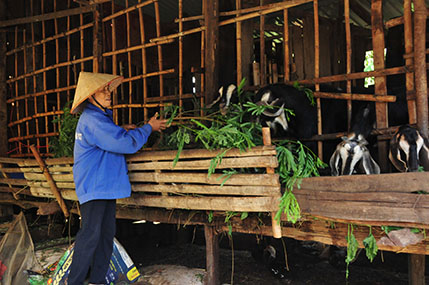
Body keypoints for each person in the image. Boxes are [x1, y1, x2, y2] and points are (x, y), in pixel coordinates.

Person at [67, 72, 168, 285]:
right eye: (102, 90)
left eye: (108, 89)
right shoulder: (93, 120)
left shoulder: (100, 119)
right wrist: (149, 128)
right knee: (90, 236)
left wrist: (121, 129)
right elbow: (124, 144)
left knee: (105, 235)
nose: (108, 93)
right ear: (90, 97)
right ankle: (73, 282)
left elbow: (111, 136)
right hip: (96, 186)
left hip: (104, 186)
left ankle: (97, 281)